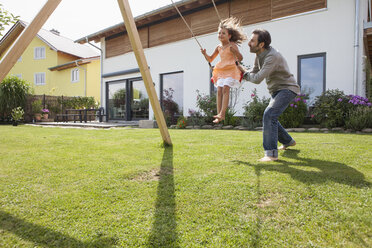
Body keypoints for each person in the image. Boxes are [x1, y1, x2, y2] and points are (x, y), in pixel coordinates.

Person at [237, 29, 300, 162]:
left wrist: (244, 74)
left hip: (287, 89)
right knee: (272, 117)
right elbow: (254, 71)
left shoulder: (272, 56)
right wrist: (240, 69)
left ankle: (271, 154)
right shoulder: (259, 55)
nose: (249, 43)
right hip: (276, 90)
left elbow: (258, 78)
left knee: (269, 114)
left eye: (252, 40)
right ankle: (288, 141)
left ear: (261, 44)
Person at [201, 17, 246, 124]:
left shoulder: (232, 45)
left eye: (223, 33)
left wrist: (234, 51)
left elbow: (240, 58)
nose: (220, 35)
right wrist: (204, 54)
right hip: (222, 70)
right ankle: (219, 115)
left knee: (226, 88)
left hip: (231, 69)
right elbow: (210, 59)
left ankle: (223, 113)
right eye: (219, 33)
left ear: (229, 36)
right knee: (219, 90)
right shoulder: (218, 47)